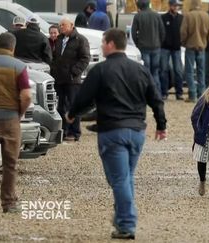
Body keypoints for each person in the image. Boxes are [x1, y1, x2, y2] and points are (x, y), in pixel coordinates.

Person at [66, 28, 167, 239]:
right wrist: (161, 124)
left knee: (119, 179)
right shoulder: (140, 70)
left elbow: (84, 97)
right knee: (126, 177)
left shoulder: (101, 70)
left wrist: (72, 114)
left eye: (103, 42)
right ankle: (122, 215)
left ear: (111, 44)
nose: (101, 46)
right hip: (137, 132)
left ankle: (127, 225)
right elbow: (156, 99)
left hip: (113, 132)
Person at [0, 32, 32, 213]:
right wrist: (20, 112)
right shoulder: (19, 66)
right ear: (13, 47)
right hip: (10, 120)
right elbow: (26, 95)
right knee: (10, 164)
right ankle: (8, 203)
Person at [51, 18, 90, 142]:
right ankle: (63, 130)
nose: (61, 27)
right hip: (59, 78)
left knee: (73, 105)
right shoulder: (60, 39)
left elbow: (85, 58)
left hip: (72, 80)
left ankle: (75, 131)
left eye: (63, 25)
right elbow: (56, 57)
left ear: (71, 25)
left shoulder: (80, 40)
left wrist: (74, 72)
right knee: (60, 106)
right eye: (60, 25)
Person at [180, 0, 209, 102]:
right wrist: (205, 42)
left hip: (190, 47)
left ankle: (192, 95)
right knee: (201, 72)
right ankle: (202, 95)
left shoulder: (188, 16)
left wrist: (184, 42)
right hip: (202, 47)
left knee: (189, 72)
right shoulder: (206, 16)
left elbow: (183, 32)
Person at [132, 0, 166, 95]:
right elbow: (162, 31)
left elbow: (134, 33)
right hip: (156, 47)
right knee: (155, 72)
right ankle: (157, 94)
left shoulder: (138, 16)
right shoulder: (156, 15)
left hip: (143, 47)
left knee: (146, 72)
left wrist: (137, 44)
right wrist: (159, 43)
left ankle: (146, 94)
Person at [160, 0, 184, 100]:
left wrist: (181, 42)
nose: (175, 7)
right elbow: (160, 32)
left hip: (177, 48)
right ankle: (164, 92)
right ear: (170, 6)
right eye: (174, 5)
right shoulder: (163, 18)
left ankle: (179, 93)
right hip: (165, 48)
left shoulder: (181, 18)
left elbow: (183, 31)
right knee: (163, 70)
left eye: (177, 6)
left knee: (178, 70)